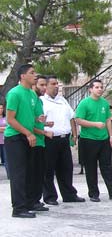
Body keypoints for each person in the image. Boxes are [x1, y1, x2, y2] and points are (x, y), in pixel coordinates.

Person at [75, 79, 112, 202]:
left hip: (104, 139)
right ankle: (93, 193)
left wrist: (111, 136)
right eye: (97, 87)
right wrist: (94, 124)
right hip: (89, 139)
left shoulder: (104, 103)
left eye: (101, 87)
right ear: (90, 89)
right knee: (91, 167)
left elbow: (108, 120)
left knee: (107, 166)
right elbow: (78, 120)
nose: (100, 89)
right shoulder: (84, 103)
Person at [41, 75, 85, 205]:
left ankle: (69, 194)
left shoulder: (62, 100)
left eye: (57, 84)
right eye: (53, 84)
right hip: (50, 139)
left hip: (64, 139)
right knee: (48, 169)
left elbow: (72, 117)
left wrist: (74, 134)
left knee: (66, 168)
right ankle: (49, 196)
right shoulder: (42, 101)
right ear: (46, 86)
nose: (56, 86)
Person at [5, 64, 38, 218]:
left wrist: (39, 121)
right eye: (32, 73)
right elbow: (11, 119)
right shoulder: (14, 93)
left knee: (31, 172)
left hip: (28, 137)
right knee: (18, 173)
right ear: (23, 76)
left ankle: (29, 203)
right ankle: (18, 208)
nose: (35, 75)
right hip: (15, 138)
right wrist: (28, 133)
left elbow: (28, 117)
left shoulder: (32, 94)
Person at [26, 75, 51, 212]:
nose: (44, 88)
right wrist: (44, 133)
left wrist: (45, 124)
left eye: (45, 85)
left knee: (40, 173)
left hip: (41, 142)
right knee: (33, 173)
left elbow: (36, 120)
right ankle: (30, 201)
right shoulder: (31, 100)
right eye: (41, 85)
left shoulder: (39, 101)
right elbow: (28, 123)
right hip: (33, 141)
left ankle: (36, 200)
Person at [0, 103, 8, 178]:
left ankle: (9, 176)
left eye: (2, 108)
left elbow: (9, 127)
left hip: (5, 141)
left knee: (6, 160)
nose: (1, 110)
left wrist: (2, 129)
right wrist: (4, 129)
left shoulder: (6, 118)